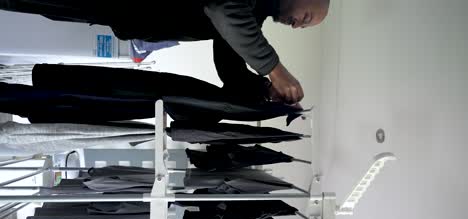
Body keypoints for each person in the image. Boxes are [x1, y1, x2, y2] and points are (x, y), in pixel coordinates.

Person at [0, 0, 330, 104]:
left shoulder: (252, 18)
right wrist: (275, 69)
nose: (299, 25)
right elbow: (223, 8)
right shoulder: (241, 7)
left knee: (35, 5)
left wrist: (264, 89)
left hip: (114, 12)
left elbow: (227, 62)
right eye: (307, 17)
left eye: (305, 26)